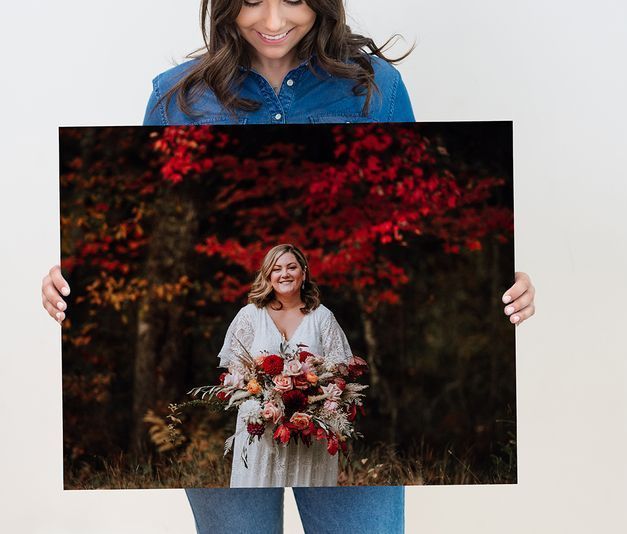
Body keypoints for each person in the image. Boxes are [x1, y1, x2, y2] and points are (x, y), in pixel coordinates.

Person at [42, 0, 537, 531]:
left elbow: (422, 222)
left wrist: (505, 279)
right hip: (253, 431)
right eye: (253, 0)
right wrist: (75, 277)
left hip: (326, 431)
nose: (273, 22)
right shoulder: (177, 97)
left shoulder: (376, 88)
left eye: (294, 0)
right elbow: (137, 230)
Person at [221, 244, 353, 488]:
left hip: (309, 428)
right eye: (277, 268)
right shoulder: (250, 315)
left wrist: (314, 398)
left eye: (291, 267)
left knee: (307, 498)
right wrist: (265, 400)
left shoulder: (322, 317)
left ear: (303, 272)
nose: (285, 274)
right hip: (262, 427)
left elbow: (339, 370)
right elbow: (236, 371)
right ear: (268, 275)